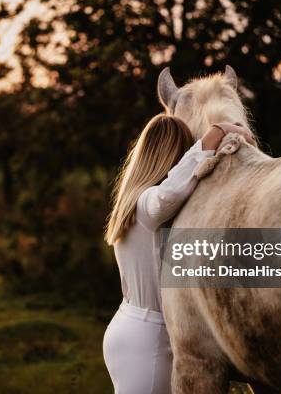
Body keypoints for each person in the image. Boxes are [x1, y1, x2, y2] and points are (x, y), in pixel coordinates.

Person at [103, 114, 256, 393]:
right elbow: (169, 194)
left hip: (132, 326)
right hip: (149, 337)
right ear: (172, 155)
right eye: (183, 151)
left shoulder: (132, 204)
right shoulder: (148, 203)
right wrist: (216, 132)